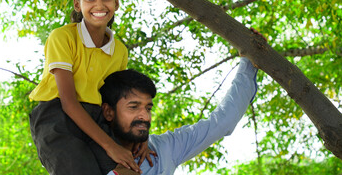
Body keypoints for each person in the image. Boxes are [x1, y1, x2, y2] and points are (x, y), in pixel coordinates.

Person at [29, 0, 154, 175]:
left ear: (116, 3)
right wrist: (111, 146)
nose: (99, 5)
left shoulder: (120, 51)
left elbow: (118, 101)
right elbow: (68, 102)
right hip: (57, 116)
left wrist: (139, 134)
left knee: (129, 170)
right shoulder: (62, 38)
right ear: (78, 4)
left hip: (97, 119)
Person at [100, 55, 259, 175]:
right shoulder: (87, 151)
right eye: (133, 107)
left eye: (148, 108)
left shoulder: (162, 148)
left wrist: (249, 61)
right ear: (108, 112)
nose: (144, 116)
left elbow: (222, 122)